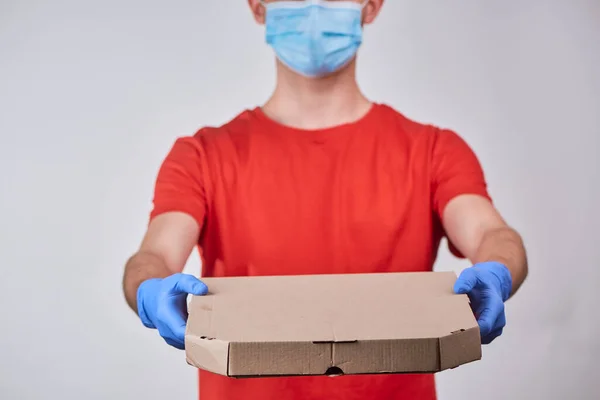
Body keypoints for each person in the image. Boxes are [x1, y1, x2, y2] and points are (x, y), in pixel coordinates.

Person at [122, 0, 528, 399]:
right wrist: (149, 289)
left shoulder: (434, 151)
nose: (313, 5)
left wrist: (497, 271)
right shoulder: (202, 155)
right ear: (258, 7)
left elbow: (490, 233)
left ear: (370, 6)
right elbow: (154, 255)